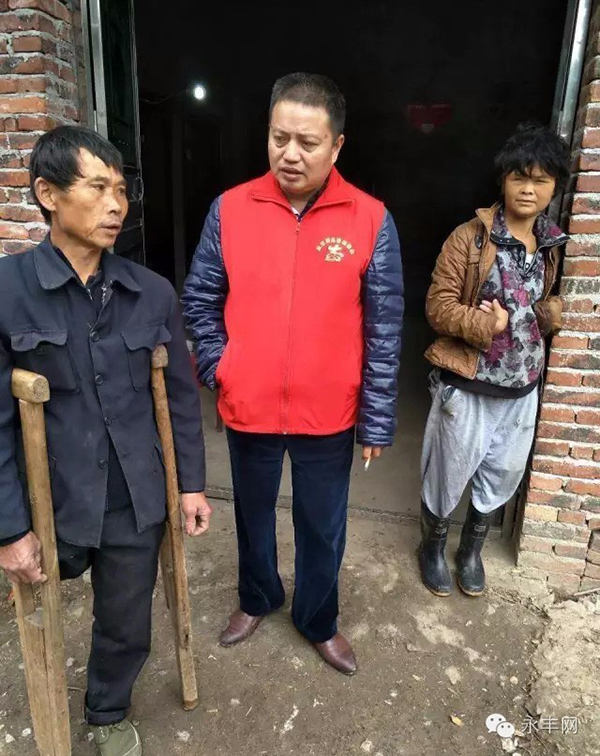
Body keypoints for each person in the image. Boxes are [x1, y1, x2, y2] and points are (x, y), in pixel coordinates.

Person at [0, 126, 212, 756]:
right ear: (48, 195)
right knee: (37, 611)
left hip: (132, 494)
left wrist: (191, 486)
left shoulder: (152, 293)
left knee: (125, 620)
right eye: (97, 188)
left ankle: (107, 710)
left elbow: (180, 399)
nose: (116, 204)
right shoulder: (7, 292)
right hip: (50, 499)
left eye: (121, 190)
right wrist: (10, 530)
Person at [182, 73, 403, 674]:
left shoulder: (369, 218)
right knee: (252, 515)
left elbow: (384, 327)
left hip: (329, 411)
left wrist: (376, 419)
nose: (290, 154)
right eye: (280, 138)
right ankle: (257, 597)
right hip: (249, 404)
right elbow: (200, 298)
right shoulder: (231, 208)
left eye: (308, 142)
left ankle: (317, 619)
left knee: (322, 527)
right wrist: (222, 367)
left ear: (337, 146)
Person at [419, 124, 569, 598]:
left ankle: (471, 551)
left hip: (523, 387)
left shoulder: (550, 245)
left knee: (502, 474)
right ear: (503, 179)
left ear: (554, 188)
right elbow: (437, 307)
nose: (528, 189)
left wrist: (548, 314)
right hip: (469, 384)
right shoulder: (470, 239)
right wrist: (487, 325)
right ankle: (432, 547)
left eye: (541, 180)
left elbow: (538, 304)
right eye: (519, 177)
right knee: (447, 473)